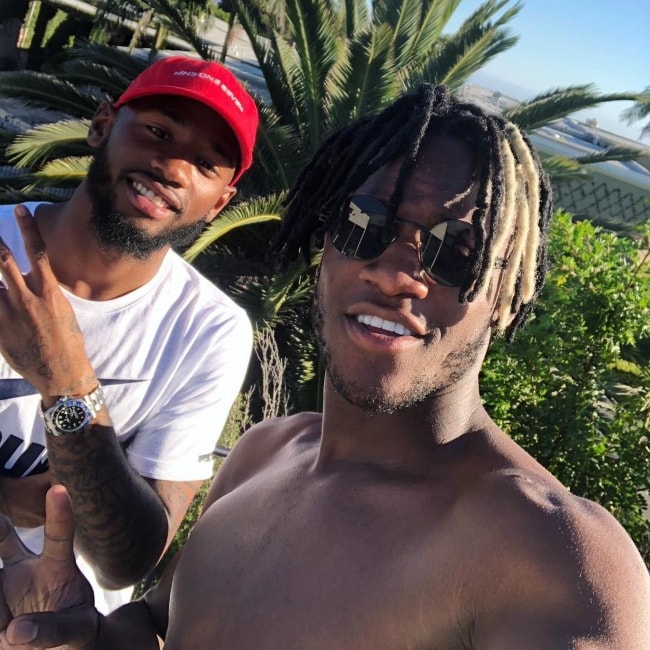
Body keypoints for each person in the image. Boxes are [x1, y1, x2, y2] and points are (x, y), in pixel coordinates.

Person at [0, 84, 648, 649]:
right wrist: (77, 633)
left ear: (510, 295)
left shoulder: (555, 554)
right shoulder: (263, 456)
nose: (396, 273)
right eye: (364, 222)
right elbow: (160, 630)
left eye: (455, 250)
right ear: (324, 244)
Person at [0, 55, 258, 613]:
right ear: (101, 126)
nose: (173, 168)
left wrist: (64, 381)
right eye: (157, 132)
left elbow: (129, 558)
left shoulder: (211, 331)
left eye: (208, 163)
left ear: (220, 204)